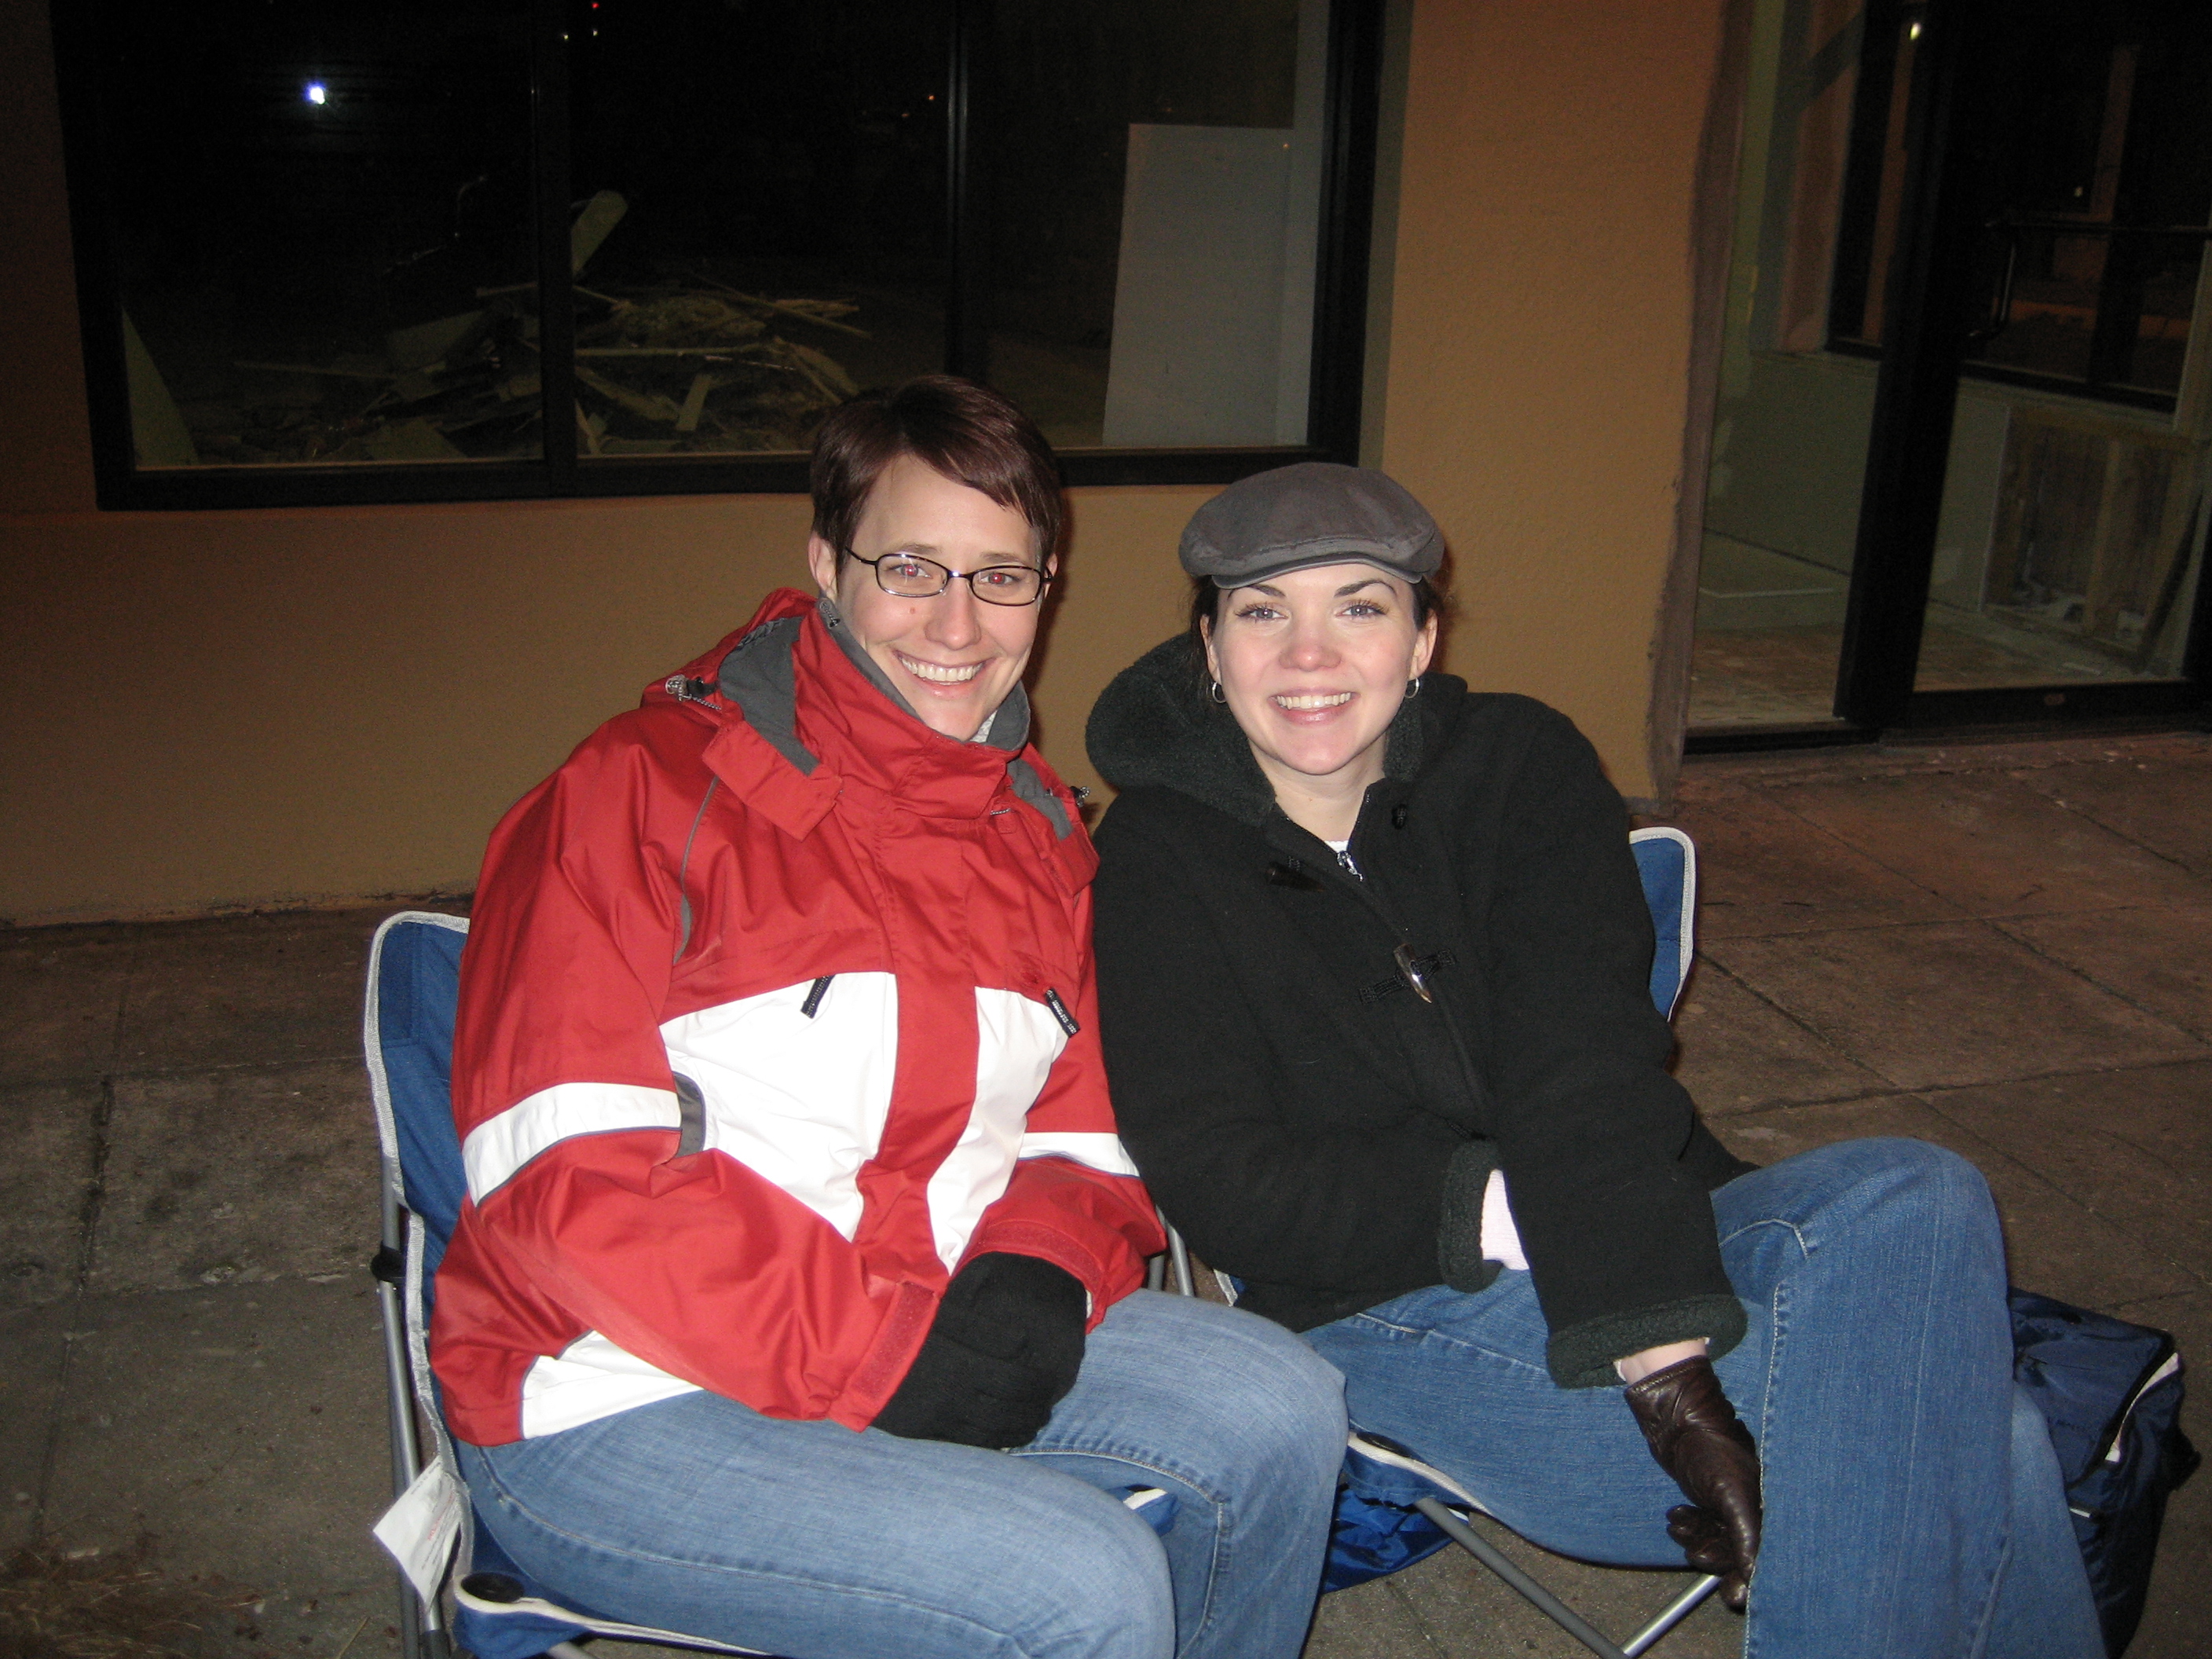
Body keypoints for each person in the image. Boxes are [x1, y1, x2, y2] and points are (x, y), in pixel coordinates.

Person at [1083, 461, 2105, 1657]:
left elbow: (1584, 1055)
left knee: (1917, 1189)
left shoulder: (1517, 762)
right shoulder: (1155, 854)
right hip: (1388, 1298)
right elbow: (1222, 1178)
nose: (1311, 655)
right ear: (1211, 650)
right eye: (1264, 612)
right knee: (1990, 1437)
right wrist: (1509, 1217)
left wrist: (1662, 1362)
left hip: (1640, 1211)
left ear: (1423, 638)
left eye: (1360, 606)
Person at [430, 379, 1346, 1659]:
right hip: (611, 1389)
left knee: (1286, 1408)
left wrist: (1038, 1272)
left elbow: (1085, 1141)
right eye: (911, 568)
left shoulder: (1040, 839)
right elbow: (568, 1185)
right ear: (826, 564)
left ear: (1048, 589)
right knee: (1082, 1584)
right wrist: (887, 1351)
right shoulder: (632, 794)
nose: (957, 625)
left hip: (936, 1314)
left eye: (1002, 577)